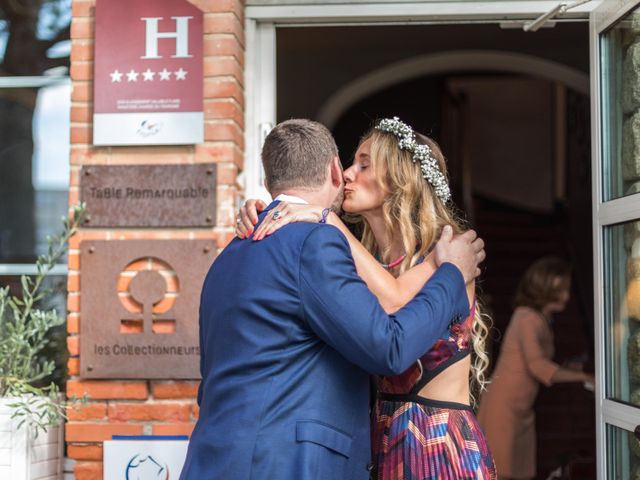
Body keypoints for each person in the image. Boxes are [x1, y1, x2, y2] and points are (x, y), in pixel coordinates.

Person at [179, 119, 486, 480]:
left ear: (400, 178)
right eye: (350, 164)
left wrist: (325, 219)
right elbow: (385, 332)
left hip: (433, 443)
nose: (352, 174)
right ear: (334, 172)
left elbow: (394, 304)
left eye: (364, 164)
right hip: (374, 444)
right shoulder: (333, 252)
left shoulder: (447, 253)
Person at [476, 256, 594, 480]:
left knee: (520, 473)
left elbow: (539, 361)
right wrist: (583, 376)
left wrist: (570, 368)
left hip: (521, 410)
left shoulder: (540, 317)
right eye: (561, 289)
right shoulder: (527, 317)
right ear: (543, 287)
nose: (567, 296)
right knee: (500, 473)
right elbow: (538, 366)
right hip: (504, 409)